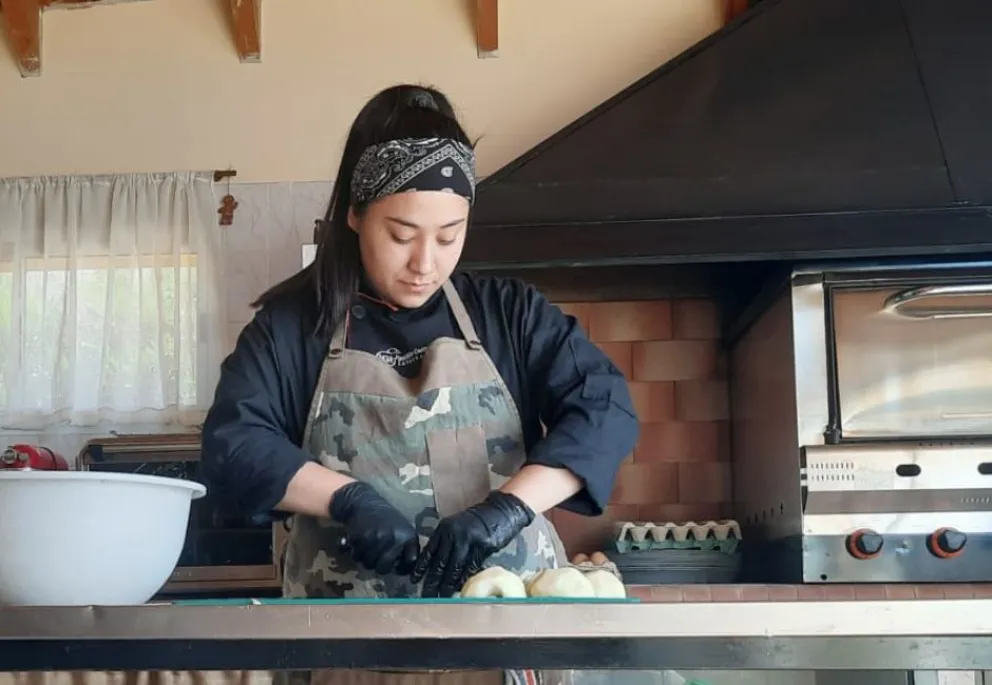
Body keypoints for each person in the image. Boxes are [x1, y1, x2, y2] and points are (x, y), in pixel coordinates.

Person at [200, 83, 639, 685]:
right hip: (345, 659)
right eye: (402, 235)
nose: (425, 263)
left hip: (505, 652)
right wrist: (346, 500)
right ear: (354, 215)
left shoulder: (507, 313)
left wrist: (508, 509)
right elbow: (234, 444)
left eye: (449, 235)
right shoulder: (292, 329)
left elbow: (604, 408)